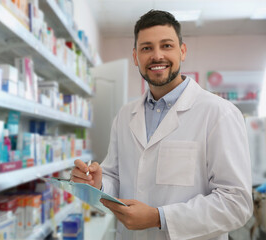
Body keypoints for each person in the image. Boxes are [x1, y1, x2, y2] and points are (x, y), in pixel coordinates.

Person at [71, 9, 253, 240]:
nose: (157, 56)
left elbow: (236, 204)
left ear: (182, 51)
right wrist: (97, 184)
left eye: (166, 45)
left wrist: (159, 217)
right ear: (136, 56)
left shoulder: (219, 113)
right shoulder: (126, 115)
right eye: (146, 48)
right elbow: (115, 176)